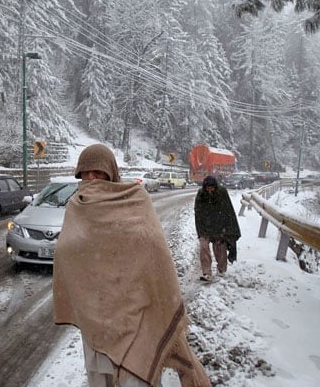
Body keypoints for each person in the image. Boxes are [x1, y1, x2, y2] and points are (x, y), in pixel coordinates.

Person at [53, 144, 210, 387]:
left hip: (135, 314)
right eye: (85, 173)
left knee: (136, 375)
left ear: (111, 173)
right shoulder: (77, 207)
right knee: (100, 377)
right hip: (95, 319)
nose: (91, 178)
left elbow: (154, 248)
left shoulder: (135, 199)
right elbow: (66, 252)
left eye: (98, 172)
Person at [194, 175, 241, 282]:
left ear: (215, 187)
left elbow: (228, 211)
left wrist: (227, 229)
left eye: (212, 187)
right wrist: (200, 229)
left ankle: (221, 270)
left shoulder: (222, 193)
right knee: (204, 248)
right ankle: (206, 272)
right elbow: (198, 212)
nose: (210, 189)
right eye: (207, 187)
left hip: (219, 226)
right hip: (205, 226)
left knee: (220, 250)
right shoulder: (201, 195)